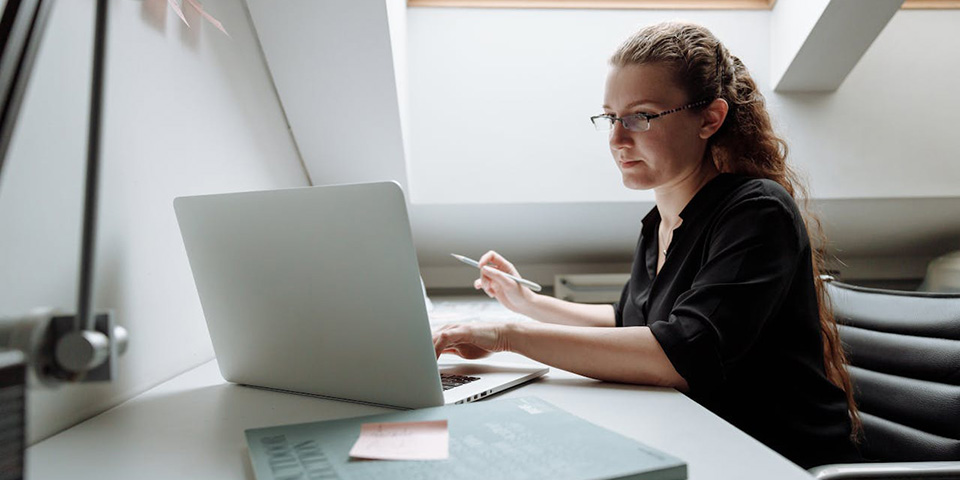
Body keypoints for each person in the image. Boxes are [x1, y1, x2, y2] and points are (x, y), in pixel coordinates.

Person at [431, 21, 862, 469]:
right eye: (610, 117)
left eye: (641, 117)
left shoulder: (757, 212)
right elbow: (631, 323)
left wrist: (508, 336)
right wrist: (524, 303)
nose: (617, 139)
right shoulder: (660, 220)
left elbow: (679, 354)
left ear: (710, 118)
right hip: (700, 440)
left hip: (778, 461)